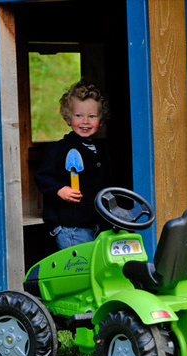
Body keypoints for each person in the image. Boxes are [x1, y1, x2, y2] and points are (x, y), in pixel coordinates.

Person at [35, 79, 111, 250]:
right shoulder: (60, 149)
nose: (85, 121)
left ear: (101, 120)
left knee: (94, 263)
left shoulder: (100, 151)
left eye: (92, 116)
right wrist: (59, 189)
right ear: (68, 118)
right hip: (71, 227)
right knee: (81, 264)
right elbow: (42, 176)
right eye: (78, 116)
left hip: (95, 224)